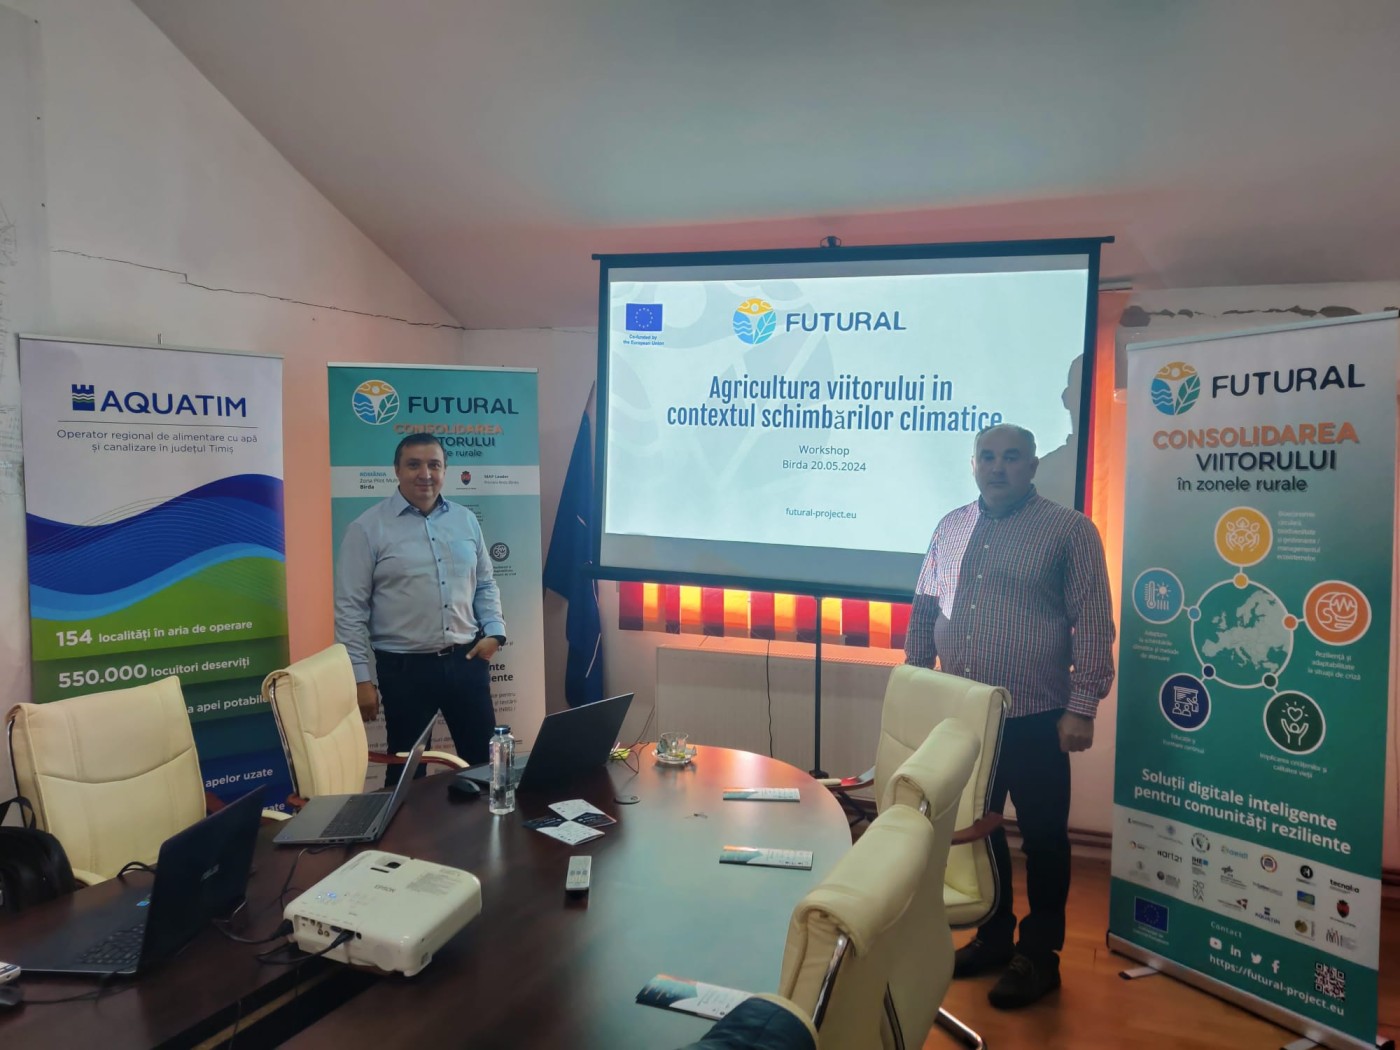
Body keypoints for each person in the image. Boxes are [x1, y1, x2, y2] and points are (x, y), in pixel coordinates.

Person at [904, 423, 1114, 1009]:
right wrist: (915, 684)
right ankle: (994, 936)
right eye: (988, 457)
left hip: (1037, 715)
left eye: (1012, 457)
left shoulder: (1069, 531)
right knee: (976, 830)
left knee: (1043, 839)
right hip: (963, 716)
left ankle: (1039, 955)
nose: (998, 467)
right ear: (973, 464)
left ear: (1033, 466)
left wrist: (1082, 707)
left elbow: (1093, 621)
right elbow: (924, 608)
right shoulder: (950, 527)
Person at [334, 432, 506, 778]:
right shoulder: (366, 529)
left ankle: (487, 816)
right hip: (404, 671)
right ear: (396, 470)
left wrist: (495, 632)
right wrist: (360, 678)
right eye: (413, 465)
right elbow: (350, 609)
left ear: (444, 470)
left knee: (485, 768)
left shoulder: (465, 520)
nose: (425, 474)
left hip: (466, 661)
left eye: (434, 465)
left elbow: (485, 583)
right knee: (406, 776)